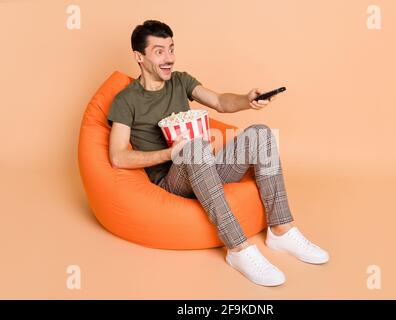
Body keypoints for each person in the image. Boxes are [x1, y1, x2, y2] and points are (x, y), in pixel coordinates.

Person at [107, 20, 329, 286]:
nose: (169, 58)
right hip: (172, 180)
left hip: (206, 165)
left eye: (172, 49)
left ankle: (281, 230)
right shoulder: (126, 100)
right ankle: (238, 248)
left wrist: (248, 100)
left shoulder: (180, 81)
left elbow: (220, 102)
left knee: (260, 134)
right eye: (159, 51)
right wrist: (171, 153)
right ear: (139, 57)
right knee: (194, 146)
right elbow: (118, 156)